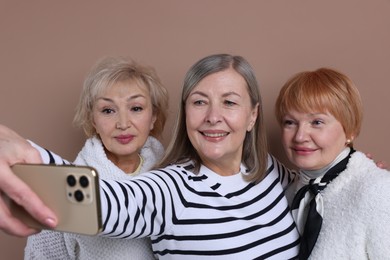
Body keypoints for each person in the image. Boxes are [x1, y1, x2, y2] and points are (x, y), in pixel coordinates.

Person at [0, 54, 300, 259]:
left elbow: (320, 188)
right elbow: (103, 203)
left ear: (252, 116)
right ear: (186, 115)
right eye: (199, 102)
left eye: (229, 102)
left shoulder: (269, 171)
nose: (213, 116)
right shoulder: (170, 189)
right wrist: (26, 155)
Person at [24, 56, 169, 259]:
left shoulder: (174, 180)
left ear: (153, 116)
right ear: (93, 119)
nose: (123, 123)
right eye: (108, 110)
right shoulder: (65, 187)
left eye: (136, 108)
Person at [274, 67, 390, 259]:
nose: (300, 136)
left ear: (350, 129)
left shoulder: (377, 190)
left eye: (317, 122)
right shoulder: (286, 194)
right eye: (290, 122)